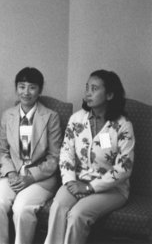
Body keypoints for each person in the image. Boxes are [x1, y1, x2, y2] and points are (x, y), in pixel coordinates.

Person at [44, 70, 135, 244]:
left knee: (78, 214)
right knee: (58, 206)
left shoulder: (123, 125)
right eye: (87, 87)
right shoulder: (76, 119)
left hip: (112, 189)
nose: (87, 93)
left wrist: (89, 188)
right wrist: (70, 181)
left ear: (109, 94)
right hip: (76, 181)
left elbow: (124, 168)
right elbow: (66, 153)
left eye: (94, 88)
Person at [0, 67, 62, 244]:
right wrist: (11, 173)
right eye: (21, 87)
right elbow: (3, 151)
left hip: (40, 178)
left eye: (32, 87)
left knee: (21, 208)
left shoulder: (51, 117)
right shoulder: (8, 115)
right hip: (11, 175)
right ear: (16, 89)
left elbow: (54, 157)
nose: (26, 92)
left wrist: (31, 177)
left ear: (40, 90)